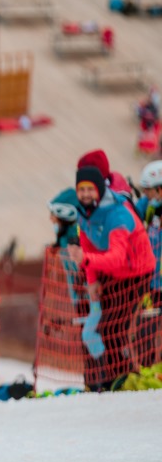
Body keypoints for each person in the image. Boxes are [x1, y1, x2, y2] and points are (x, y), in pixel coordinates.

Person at [71, 166, 156, 390]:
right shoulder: (85, 213)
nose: (86, 194)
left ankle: (124, 375)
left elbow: (116, 257)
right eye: (82, 189)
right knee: (102, 327)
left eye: (90, 189)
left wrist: (85, 260)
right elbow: (88, 244)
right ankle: (112, 377)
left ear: (99, 190)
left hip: (136, 273)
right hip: (113, 273)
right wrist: (92, 281)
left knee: (114, 326)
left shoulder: (117, 215)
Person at [135, 162, 162, 366]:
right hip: (151, 282)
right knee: (146, 327)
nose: (146, 194)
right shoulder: (150, 208)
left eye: (149, 190)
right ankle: (149, 367)